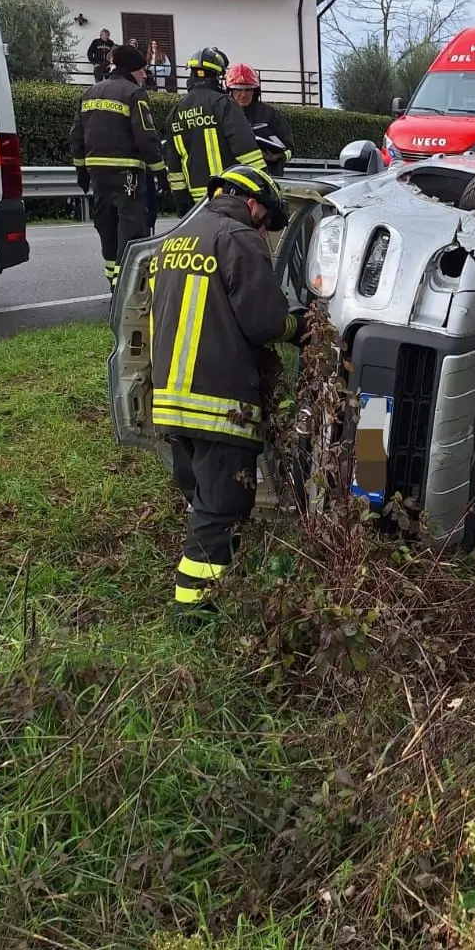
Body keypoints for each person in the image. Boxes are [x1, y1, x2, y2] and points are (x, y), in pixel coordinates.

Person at [149, 164, 303, 620]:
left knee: (204, 504)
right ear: (253, 203)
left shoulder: (175, 238)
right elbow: (266, 322)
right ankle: (195, 619)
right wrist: (303, 327)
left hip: (172, 404)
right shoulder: (237, 238)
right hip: (219, 406)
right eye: (266, 224)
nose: (265, 233)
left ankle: (220, 588)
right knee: (218, 514)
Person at [70, 42, 170, 288]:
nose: (145, 75)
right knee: (132, 226)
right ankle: (128, 285)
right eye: (143, 70)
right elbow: (146, 138)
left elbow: (76, 136)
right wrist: (160, 173)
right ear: (132, 69)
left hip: (98, 175)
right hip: (128, 175)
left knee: (107, 225)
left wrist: (81, 170)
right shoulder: (134, 94)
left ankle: (112, 278)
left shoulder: (89, 94)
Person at [164, 46, 266, 213]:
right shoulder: (223, 104)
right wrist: (265, 185)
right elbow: (247, 151)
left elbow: (174, 166)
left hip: (196, 204)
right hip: (228, 195)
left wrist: (181, 203)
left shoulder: (175, 112)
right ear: (218, 76)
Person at [224, 63, 294, 177]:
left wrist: (278, 156)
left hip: (267, 177)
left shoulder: (270, 114)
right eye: (238, 90)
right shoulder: (224, 115)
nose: (243, 95)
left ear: (255, 91)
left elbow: (290, 148)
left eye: (248, 90)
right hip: (233, 176)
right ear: (230, 91)